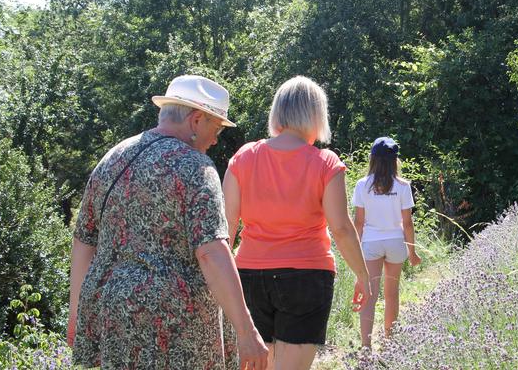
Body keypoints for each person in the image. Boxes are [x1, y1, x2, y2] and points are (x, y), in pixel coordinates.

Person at [68, 75, 270, 370]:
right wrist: (247, 331)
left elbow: (84, 239)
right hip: (177, 321)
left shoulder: (112, 158)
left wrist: (78, 312)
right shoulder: (196, 168)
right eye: (216, 128)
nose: (216, 140)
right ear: (196, 120)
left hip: (114, 317)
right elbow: (211, 252)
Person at [223, 75, 370, 370]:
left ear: (277, 112)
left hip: (250, 275)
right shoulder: (326, 163)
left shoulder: (242, 158)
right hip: (307, 277)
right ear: (316, 115)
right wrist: (363, 276)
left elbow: (226, 228)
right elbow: (340, 228)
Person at [351, 137, 421, 349]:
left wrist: (355, 254)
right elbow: (407, 223)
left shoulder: (362, 185)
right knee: (392, 295)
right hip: (396, 244)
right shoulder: (403, 186)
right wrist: (412, 252)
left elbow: (359, 223)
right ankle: (390, 342)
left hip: (371, 244)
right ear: (394, 161)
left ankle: (366, 347)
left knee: (369, 296)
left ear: (372, 159)